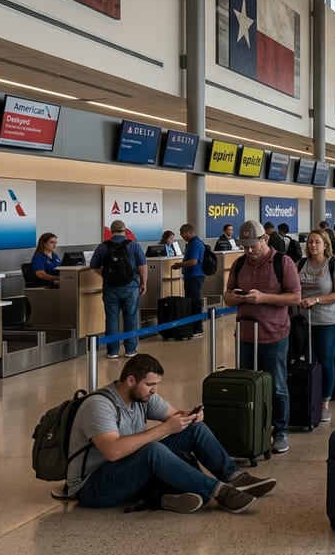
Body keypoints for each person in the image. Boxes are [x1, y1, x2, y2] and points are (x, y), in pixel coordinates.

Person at [64, 354, 276, 513]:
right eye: (150, 385)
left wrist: (190, 416)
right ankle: (220, 491)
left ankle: (234, 476)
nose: (154, 390)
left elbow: (175, 415)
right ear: (130, 381)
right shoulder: (99, 405)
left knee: (195, 430)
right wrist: (164, 429)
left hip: (126, 469)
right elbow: (113, 451)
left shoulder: (143, 397)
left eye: (156, 385)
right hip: (93, 487)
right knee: (152, 450)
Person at [224, 220, 301, 455]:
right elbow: (226, 296)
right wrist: (236, 298)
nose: (249, 252)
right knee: (247, 386)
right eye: (244, 246)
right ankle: (252, 429)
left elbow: (295, 297)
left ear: (264, 239)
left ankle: (280, 431)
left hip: (274, 335)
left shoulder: (282, 262)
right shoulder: (239, 264)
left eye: (252, 246)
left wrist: (264, 298)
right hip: (245, 335)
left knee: (277, 386)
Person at [297, 229, 335, 423]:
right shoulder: (301, 263)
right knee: (307, 361)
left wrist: (315, 300)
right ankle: (309, 398)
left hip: (328, 321)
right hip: (304, 321)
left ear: (325, 245)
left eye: (317, 242)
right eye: (310, 242)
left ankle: (324, 403)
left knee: (326, 361)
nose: (313, 245)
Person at [90, 220, 148, 359]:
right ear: (124, 230)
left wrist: (105, 275)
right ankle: (131, 349)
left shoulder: (103, 247)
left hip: (110, 288)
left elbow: (94, 265)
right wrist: (144, 283)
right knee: (131, 318)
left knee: (111, 318)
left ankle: (113, 351)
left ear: (111, 231)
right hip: (131, 286)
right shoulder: (134, 246)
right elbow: (142, 266)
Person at [171, 224, 206, 336]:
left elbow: (193, 262)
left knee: (194, 302)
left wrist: (179, 265)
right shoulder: (193, 243)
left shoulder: (195, 244)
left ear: (187, 232)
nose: (181, 236)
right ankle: (194, 325)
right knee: (192, 301)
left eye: (182, 233)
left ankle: (197, 327)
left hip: (194, 276)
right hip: (193, 276)